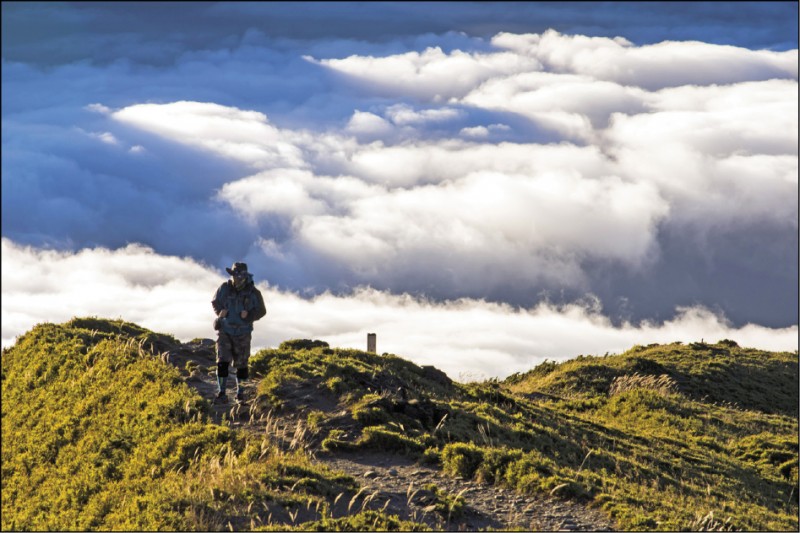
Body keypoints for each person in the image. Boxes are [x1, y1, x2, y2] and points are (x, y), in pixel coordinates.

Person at [211, 262, 266, 404]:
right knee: (222, 362)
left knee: (242, 364)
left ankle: (241, 394)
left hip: (243, 333)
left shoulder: (254, 293)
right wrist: (220, 313)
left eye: (240, 275)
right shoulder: (224, 288)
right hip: (225, 331)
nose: (237, 278)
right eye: (235, 275)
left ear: (245, 276)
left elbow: (262, 311)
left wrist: (249, 315)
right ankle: (221, 393)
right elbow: (215, 302)